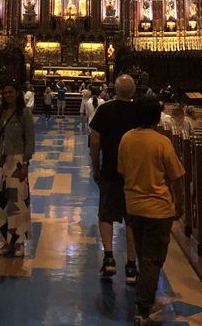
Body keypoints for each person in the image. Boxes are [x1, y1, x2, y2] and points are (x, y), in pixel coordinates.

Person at [118, 97, 185, 326]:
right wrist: (179, 201)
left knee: (143, 254)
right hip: (158, 208)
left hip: (134, 206)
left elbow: (123, 170)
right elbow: (176, 176)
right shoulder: (162, 142)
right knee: (152, 258)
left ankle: (145, 298)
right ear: (157, 117)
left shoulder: (126, 138)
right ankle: (143, 307)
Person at [89, 73, 138, 283]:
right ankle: (131, 266)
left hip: (110, 168)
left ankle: (109, 256)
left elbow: (95, 141)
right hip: (135, 173)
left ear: (114, 90)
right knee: (132, 218)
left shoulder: (105, 109)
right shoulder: (139, 111)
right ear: (133, 91)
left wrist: (95, 166)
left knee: (106, 214)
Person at [0, 81, 34, 257]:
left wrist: (26, 162)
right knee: (0, 200)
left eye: (11, 92)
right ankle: (6, 241)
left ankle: (18, 242)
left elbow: (30, 139)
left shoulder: (24, 114)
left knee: (17, 199)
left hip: (17, 159)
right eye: (5, 92)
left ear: (17, 93)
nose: (8, 95)